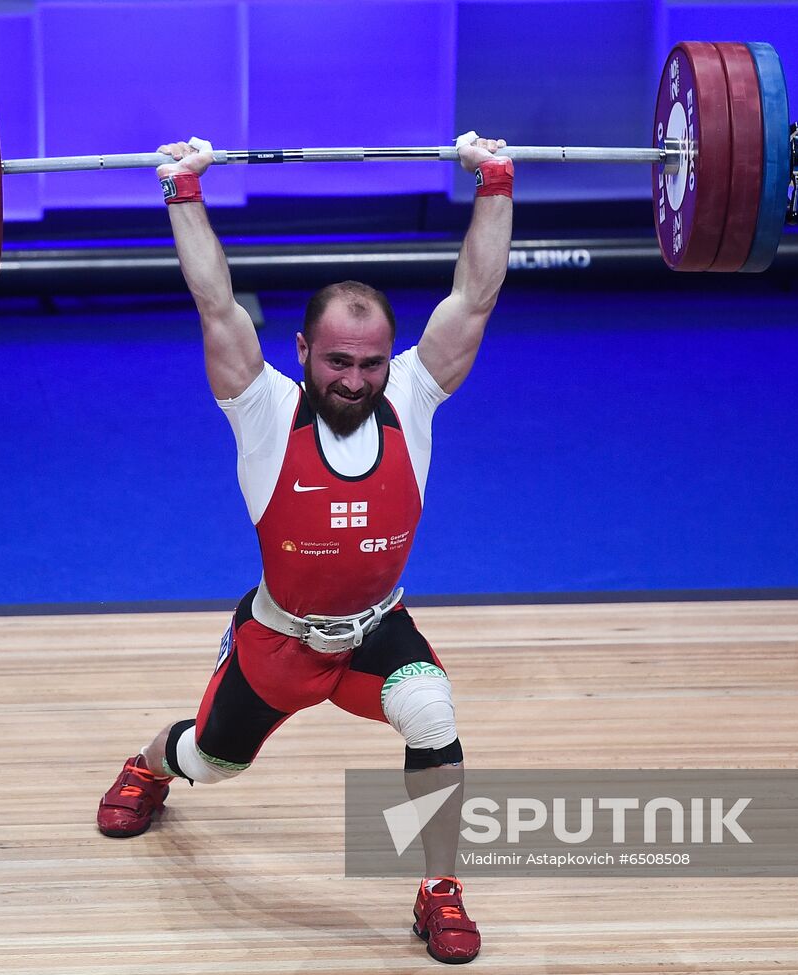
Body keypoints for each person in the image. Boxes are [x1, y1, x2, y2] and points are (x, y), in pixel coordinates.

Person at [97, 131, 514, 965]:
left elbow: (473, 297)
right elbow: (217, 304)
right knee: (211, 761)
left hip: (376, 631)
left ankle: (438, 891)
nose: (354, 380)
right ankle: (147, 763)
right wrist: (184, 191)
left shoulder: (413, 394)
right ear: (302, 353)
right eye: (335, 362)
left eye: (366, 362)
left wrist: (495, 182)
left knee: (432, 710)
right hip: (279, 640)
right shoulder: (263, 409)